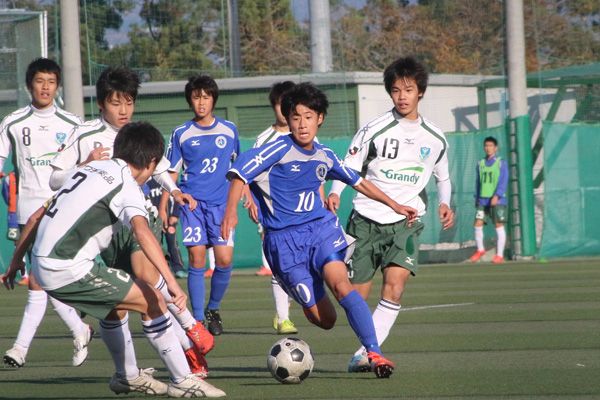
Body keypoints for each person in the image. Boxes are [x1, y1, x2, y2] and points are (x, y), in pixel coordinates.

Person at [2, 122, 225, 398]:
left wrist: (15, 262)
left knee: (115, 308)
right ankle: (183, 380)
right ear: (151, 162)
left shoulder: (87, 170)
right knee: (153, 300)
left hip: (44, 263)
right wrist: (172, 283)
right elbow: (142, 232)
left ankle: (126, 376)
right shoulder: (126, 183)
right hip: (67, 268)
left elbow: (36, 217)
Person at [222, 82, 419, 379]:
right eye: (297, 117)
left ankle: (374, 352)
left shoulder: (325, 154)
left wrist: (395, 204)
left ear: (320, 118)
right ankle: (304, 286)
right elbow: (239, 172)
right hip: (283, 244)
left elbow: (358, 181)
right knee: (325, 320)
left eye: (309, 116)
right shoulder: (275, 149)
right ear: (288, 120)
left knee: (342, 284)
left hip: (320, 230)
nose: (303, 124)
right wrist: (230, 213)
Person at [49, 66, 214, 380]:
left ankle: (190, 328)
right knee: (120, 306)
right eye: (116, 103)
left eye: (128, 102)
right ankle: (150, 363)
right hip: (106, 231)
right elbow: (55, 178)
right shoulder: (84, 134)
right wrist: (84, 165)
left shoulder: (137, 131)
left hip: (141, 218)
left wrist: (175, 191)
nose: (123, 110)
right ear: (101, 104)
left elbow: (161, 168)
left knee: (144, 276)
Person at [327, 56, 455, 373]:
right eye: (396, 90)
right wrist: (335, 191)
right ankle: (367, 346)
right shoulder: (374, 128)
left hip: (407, 222)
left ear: (420, 92)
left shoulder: (435, 137)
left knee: (395, 287)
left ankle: (367, 353)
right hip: (365, 220)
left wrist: (445, 202)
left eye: (408, 89)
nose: (402, 96)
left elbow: (443, 176)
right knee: (355, 296)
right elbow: (349, 167)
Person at [0, 58, 92, 369]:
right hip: (28, 210)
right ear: (30, 85)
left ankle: (19, 349)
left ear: (57, 86)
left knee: (40, 281)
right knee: (43, 280)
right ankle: (80, 329)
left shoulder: (72, 123)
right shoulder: (12, 122)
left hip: (60, 208)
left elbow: (86, 165)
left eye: (51, 82)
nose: (45, 87)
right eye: (40, 81)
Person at [160, 74, 244, 336]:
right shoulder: (181, 133)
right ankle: (196, 320)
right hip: (192, 205)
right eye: (196, 97)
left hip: (221, 206)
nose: (201, 102)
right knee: (197, 259)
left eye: (206, 97)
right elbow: (171, 171)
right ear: (190, 101)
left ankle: (213, 309)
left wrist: (247, 197)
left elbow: (241, 169)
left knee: (224, 258)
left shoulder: (229, 130)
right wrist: (166, 206)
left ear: (213, 99)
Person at [249, 81, 299, 334]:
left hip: (303, 210)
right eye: (281, 104)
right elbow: (247, 172)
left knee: (300, 265)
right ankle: (283, 317)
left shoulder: (304, 134)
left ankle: (284, 310)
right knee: (280, 264)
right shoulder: (264, 139)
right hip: (273, 210)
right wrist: (250, 200)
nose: (286, 109)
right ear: (274, 107)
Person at [469, 136, 508, 264]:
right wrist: (477, 197)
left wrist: (497, 195)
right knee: (477, 224)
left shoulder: (501, 163)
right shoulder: (480, 164)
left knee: (498, 225)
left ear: (495, 148)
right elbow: (478, 182)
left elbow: (503, 180)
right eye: (486, 145)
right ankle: (480, 250)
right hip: (483, 200)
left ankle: (500, 255)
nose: (488, 148)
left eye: (490, 145)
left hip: (497, 200)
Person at [146, 178, 187, 278]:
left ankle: (178, 268)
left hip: (168, 218)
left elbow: (177, 197)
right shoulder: (146, 180)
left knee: (172, 243)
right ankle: (160, 270)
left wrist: (175, 215)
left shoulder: (166, 178)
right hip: (153, 218)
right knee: (155, 245)